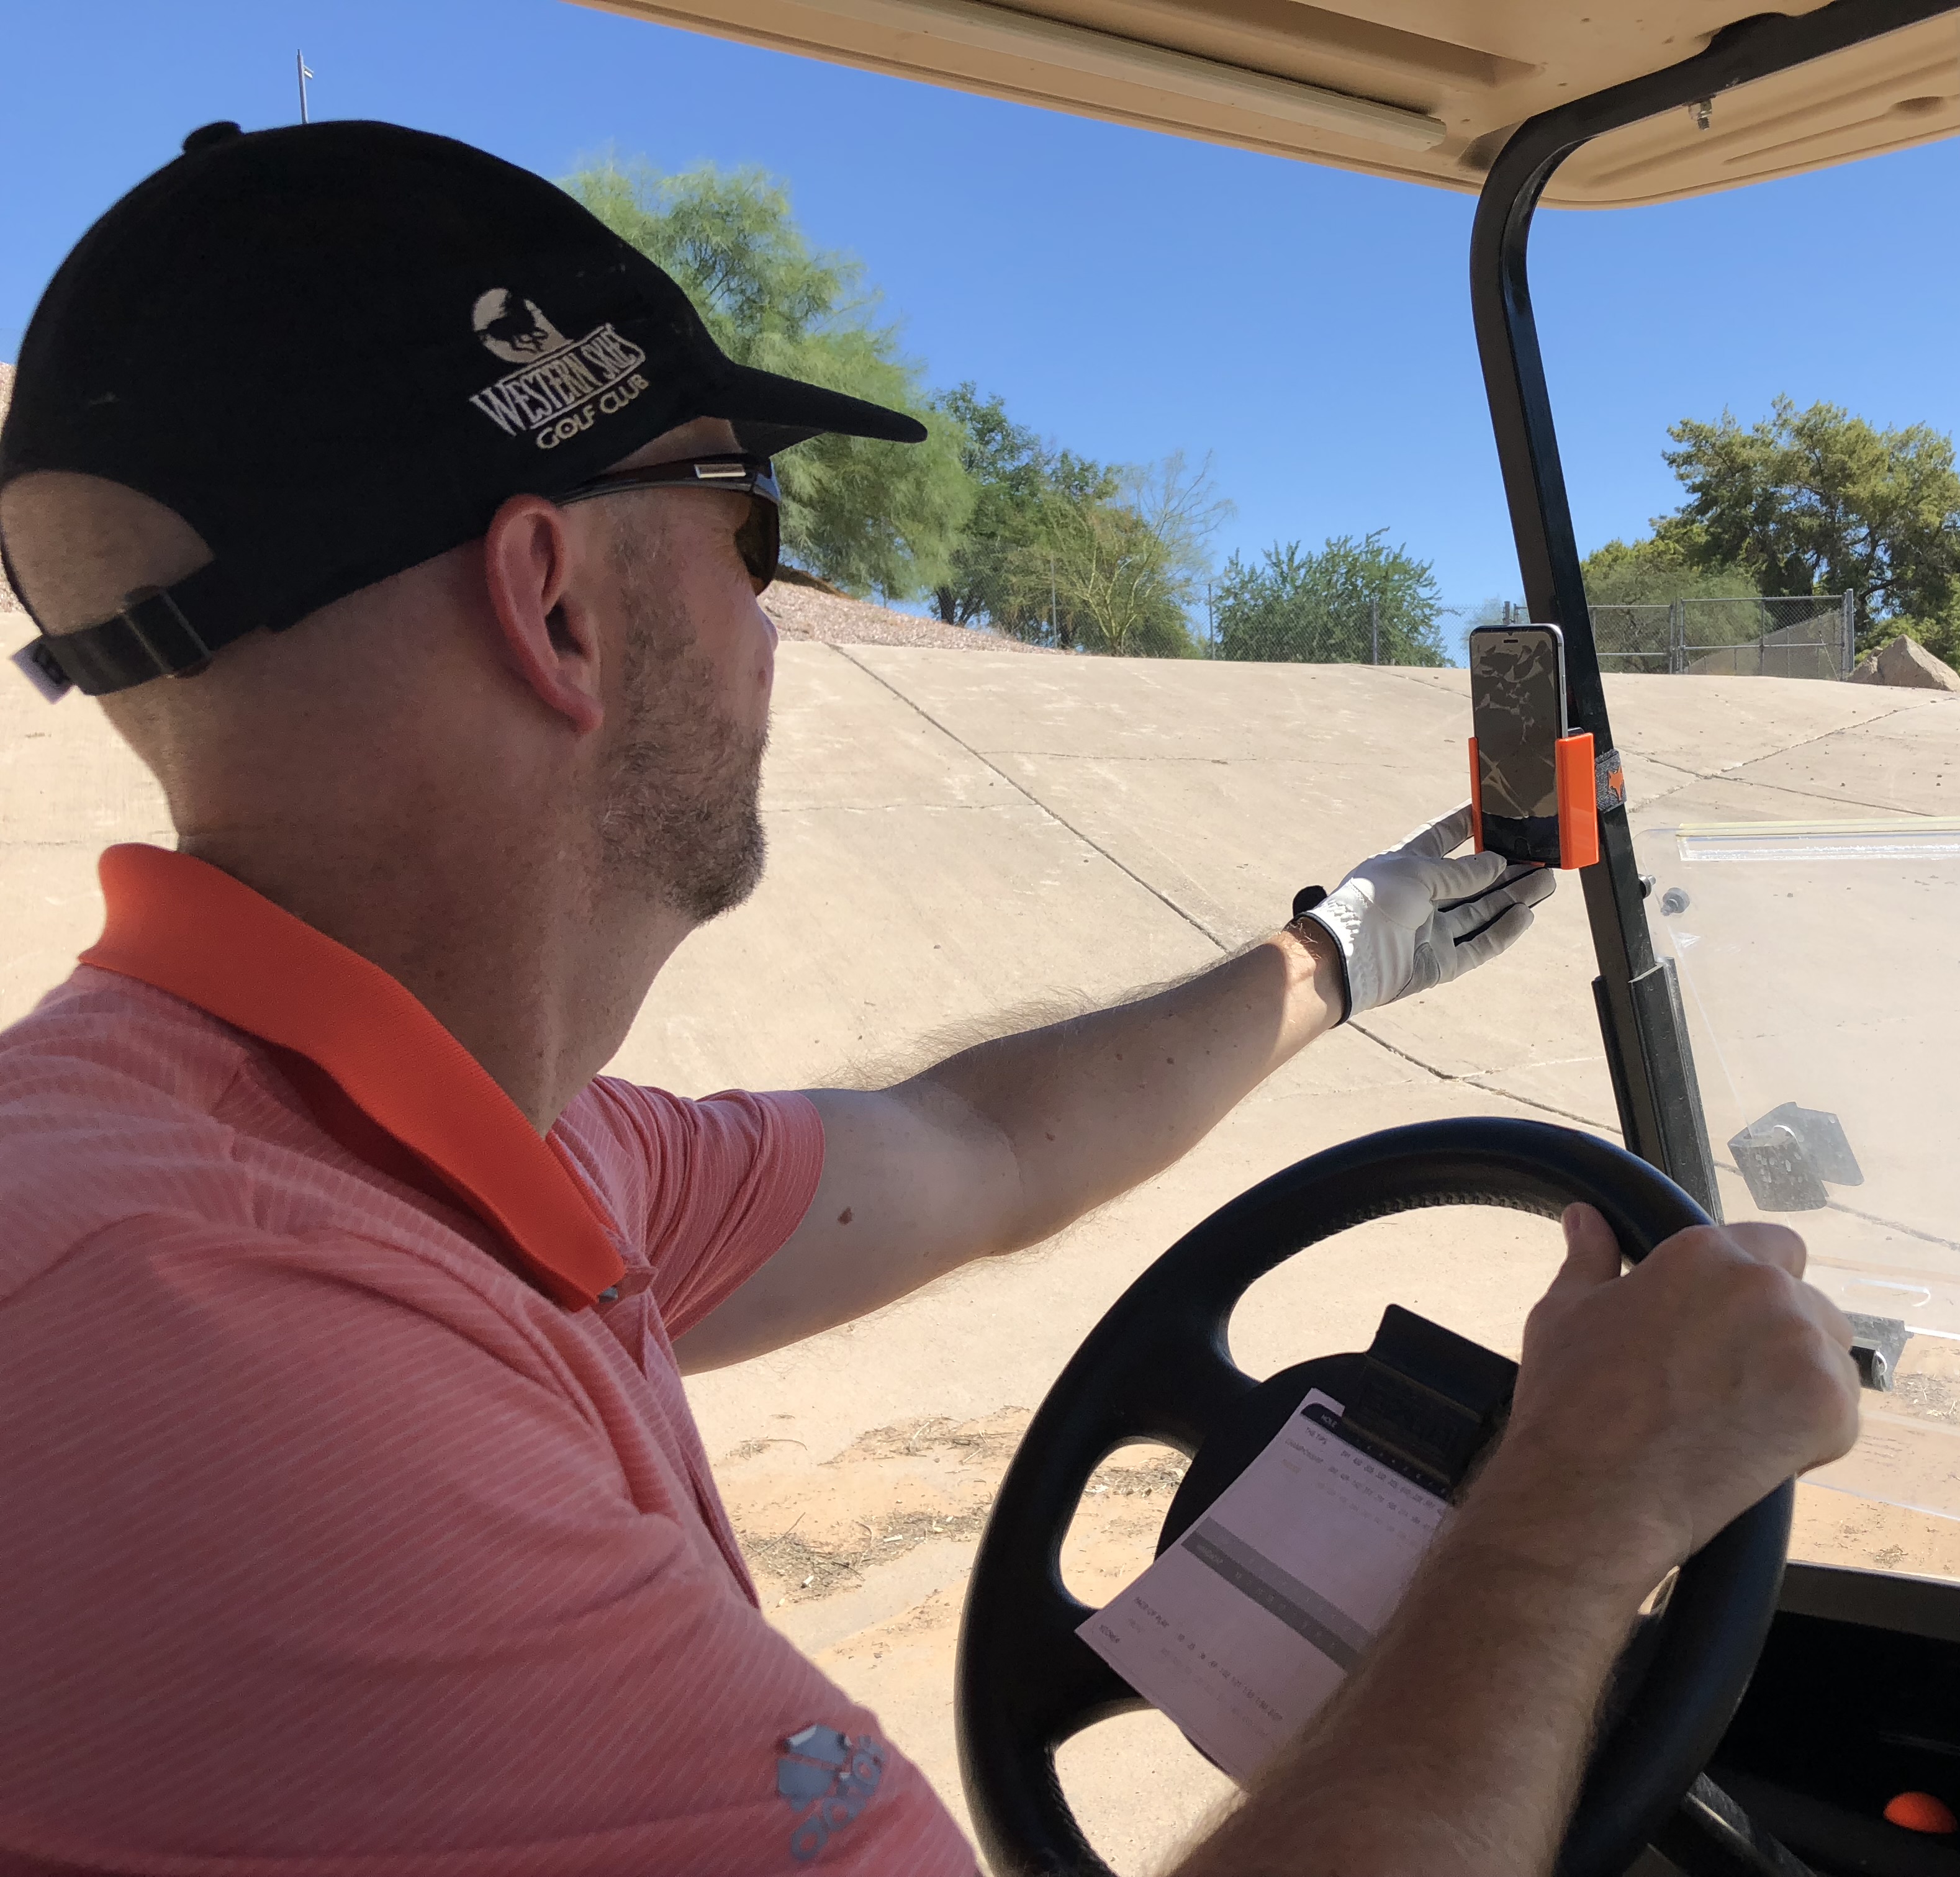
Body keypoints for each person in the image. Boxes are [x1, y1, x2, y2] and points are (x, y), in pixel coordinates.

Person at [0, 121, 1859, 1877]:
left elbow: (973, 1146)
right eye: (747, 527)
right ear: (554, 606)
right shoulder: (233, 1363)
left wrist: (1345, 952)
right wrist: (1569, 1523)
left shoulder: (433, 1155)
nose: (774, 620)